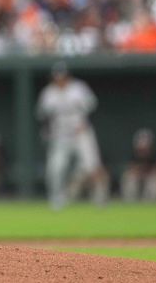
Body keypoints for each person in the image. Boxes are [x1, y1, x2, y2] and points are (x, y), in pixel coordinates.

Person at [37, 62, 107, 210]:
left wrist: (84, 123)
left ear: (67, 76)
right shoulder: (48, 93)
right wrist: (48, 132)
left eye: (62, 76)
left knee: (91, 165)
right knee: (55, 168)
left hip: (81, 133)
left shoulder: (79, 88)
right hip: (60, 135)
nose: (59, 79)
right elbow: (43, 116)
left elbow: (92, 107)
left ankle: (100, 198)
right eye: (57, 77)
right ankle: (57, 199)